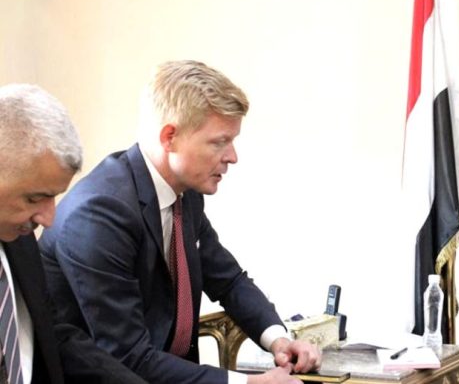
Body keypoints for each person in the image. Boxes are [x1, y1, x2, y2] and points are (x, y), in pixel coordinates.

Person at [39, 60, 321, 384]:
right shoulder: (100, 214)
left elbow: (228, 280)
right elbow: (128, 357)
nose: (232, 156)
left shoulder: (185, 195)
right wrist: (247, 383)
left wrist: (279, 340)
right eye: (219, 142)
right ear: (170, 137)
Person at [0, 84, 147, 384]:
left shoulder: (19, 238)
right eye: (34, 198)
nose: (48, 219)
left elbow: (53, 334)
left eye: (53, 197)